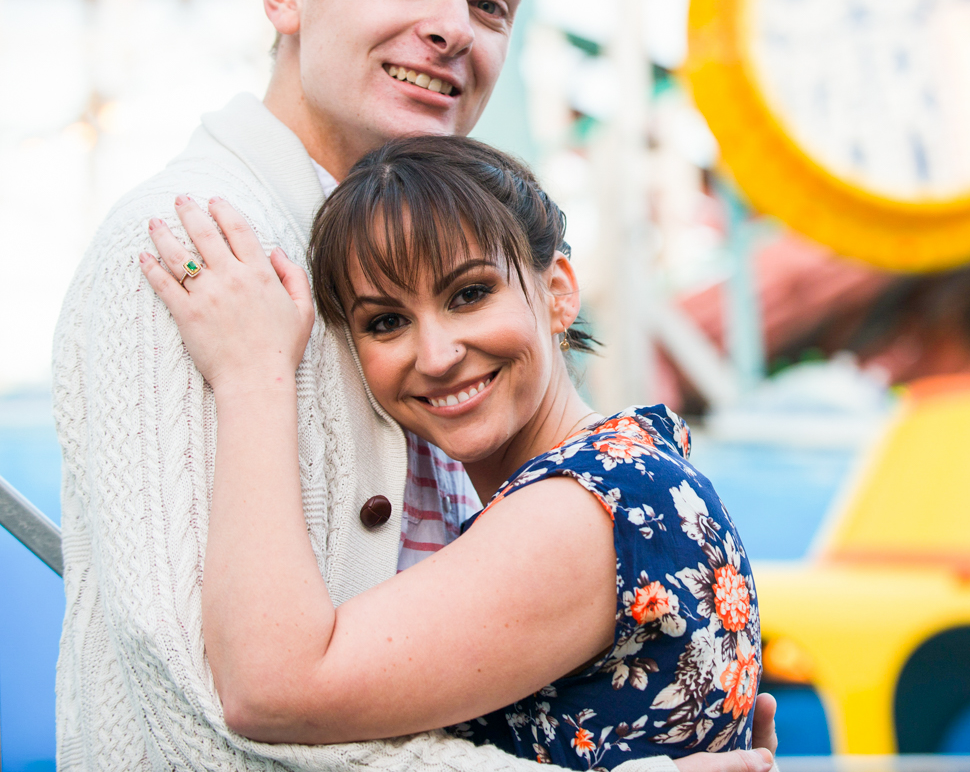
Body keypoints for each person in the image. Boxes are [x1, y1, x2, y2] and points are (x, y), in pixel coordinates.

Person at [53, 0, 775, 772]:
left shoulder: (398, 259)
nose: (451, 25)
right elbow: (198, 716)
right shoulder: (193, 250)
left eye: (490, 3)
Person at [138, 136, 762, 766]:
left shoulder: (585, 507)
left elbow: (270, 690)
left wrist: (252, 375)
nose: (436, 355)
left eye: (469, 294)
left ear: (558, 293)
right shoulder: (631, 466)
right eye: (385, 322)